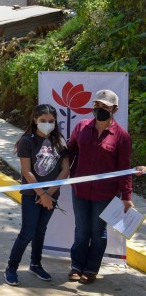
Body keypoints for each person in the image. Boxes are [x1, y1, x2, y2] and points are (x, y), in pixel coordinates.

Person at [67, 89, 132, 285]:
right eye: (96, 104)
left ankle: (91, 268)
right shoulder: (81, 127)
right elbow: (70, 153)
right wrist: (59, 177)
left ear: (115, 109)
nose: (99, 109)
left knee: (98, 232)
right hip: (79, 189)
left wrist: (126, 196)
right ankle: (76, 265)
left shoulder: (122, 136)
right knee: (81, 230)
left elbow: (124, 167)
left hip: (105, 193)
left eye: (104, 106)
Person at [4, 104, 70, 286]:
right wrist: (42, 194)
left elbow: (65, 169)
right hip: (32, 195)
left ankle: (35, 264)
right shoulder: (27, 141)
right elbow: (27, 171)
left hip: (51, 194)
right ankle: (11, 267)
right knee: (27, 232)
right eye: (43, 121)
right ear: (35, 120)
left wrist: (50, 194)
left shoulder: (60, 141)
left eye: (51, 121)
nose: (47, 124)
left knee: (41, 231)